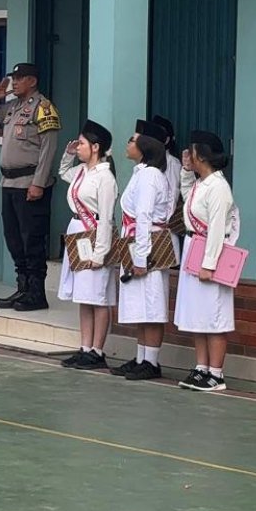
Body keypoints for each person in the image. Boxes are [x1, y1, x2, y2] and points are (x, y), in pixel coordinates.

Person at [0, 62, 61, 311]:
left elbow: (48, 150)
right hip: (9, 181)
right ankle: (23, 287)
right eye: (13, 79)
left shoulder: (44, 108)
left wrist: (38, 183)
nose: (14, 83)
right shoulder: (13, 107)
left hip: (30, 183)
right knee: (14, 238)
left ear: (32, 81)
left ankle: (37, 292)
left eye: (19, 79)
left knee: (32, 238)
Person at [175, 130, 239, 393]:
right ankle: (201, 367)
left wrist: (209, 263)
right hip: (194, 247)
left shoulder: (219, 187)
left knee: (214, 315)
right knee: (197, 314)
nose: (189, 155)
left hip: (209, 252)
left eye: (192, 151)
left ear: (201, 154)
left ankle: (216, 373)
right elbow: (188, 197)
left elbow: (216, 229)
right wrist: (186, 171)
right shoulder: (201, 183)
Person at [110, 127, 172, 382]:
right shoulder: (142, 174)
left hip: (148, 246)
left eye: (133, 140)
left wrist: (141, 258)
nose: (128, 143)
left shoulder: (150, 176)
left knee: (152, 305)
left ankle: (151, 361)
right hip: (138, 242)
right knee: (140, 306)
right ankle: (141, 358)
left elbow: (144, 216)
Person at [57, 119, 118, 370]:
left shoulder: (105, 178)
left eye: (81, 143)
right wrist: (67, 155)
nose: (78, 146)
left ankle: (97, 350)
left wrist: (101, 252)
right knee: (84, 295)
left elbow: (106, 218)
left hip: (93, 235)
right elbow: (63, 173)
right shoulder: (82, 171)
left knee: (98, 295)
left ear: (95, 147)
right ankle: (84, 347)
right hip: (77, 233)